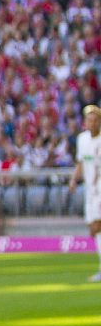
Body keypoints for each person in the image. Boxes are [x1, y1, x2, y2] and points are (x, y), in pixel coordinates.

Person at [70, 104, 101, 281]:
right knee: (93, 229)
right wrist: (74, 179)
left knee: (98, 226)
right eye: (89, 120)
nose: (92, 123)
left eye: (95, 120)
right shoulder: (82, 139)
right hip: (90, 190)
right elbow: (81, 162)